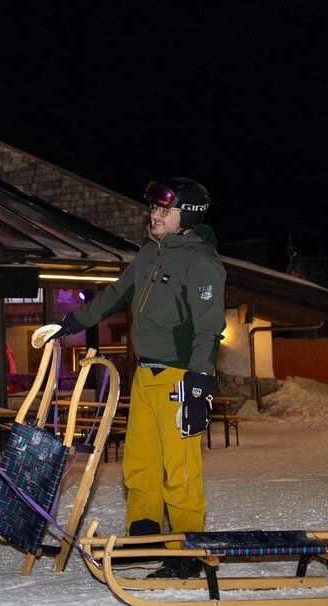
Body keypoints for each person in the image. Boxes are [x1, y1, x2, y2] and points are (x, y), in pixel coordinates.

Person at [32, 177, 225, 579]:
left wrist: (200, 384)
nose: (154, 215)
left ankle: (188, 552)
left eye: (164, 210)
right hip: (144, 375)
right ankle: (145, 538)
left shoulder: (201, 261)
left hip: (179, 376)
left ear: (186, 215)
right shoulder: (149, 254)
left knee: (181, 469)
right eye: (153, 208)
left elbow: (209, 327)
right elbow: (114, 294)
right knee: (140, 463)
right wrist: (70, 323)